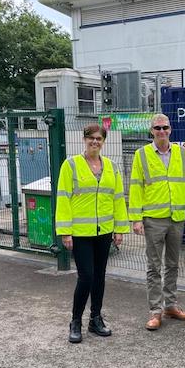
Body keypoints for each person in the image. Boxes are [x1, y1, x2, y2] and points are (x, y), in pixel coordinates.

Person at [56, 123, 129, 343]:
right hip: (80, 233)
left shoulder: (112, 166)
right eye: (91, 138)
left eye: (99, 138)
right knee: (86, 276)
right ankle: (75, 321)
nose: (95, 142)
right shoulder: (71, 165)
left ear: (103, 141)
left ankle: (95, 319)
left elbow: (118, 199)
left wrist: (119, 229)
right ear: (84, 139)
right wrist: (65, 232)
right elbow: (63, 198)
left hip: (104, 231)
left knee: (99, 277)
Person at [129, 113, 185, 331]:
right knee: (154, 267)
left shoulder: (181, 153)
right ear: (151, 131)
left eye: (165, 127)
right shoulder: (141, 155)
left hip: (177, 218)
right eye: (157, 128)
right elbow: (136, 187)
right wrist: (136, 218)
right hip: (153, 220)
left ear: (170, 129)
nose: (162, 131)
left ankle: (170, 305)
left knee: (173, 264)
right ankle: (155, 311)